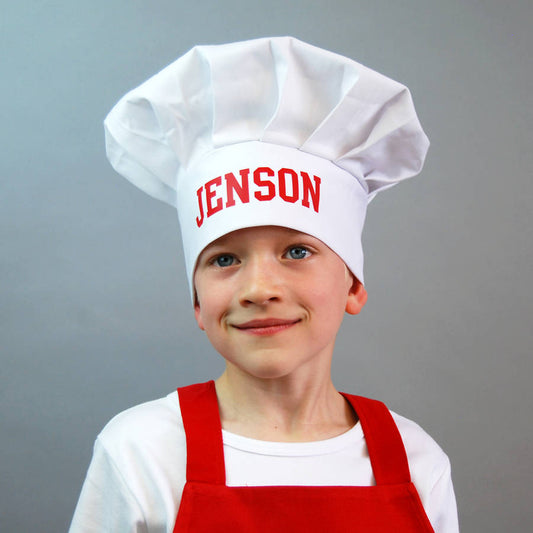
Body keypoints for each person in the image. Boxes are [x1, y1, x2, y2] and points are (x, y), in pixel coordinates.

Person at [69, 36, 459, 532]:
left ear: (354, 286)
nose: (258, 288)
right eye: (225, 258)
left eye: (297, 251)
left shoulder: (416, 459)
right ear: (196, 301)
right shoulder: (144, 452)